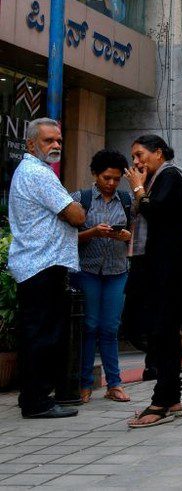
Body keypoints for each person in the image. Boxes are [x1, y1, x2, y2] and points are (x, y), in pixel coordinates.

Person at [7, 118, 86, 419]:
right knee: (43, 336)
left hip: (39, 264)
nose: (55, 146)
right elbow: (76, 215)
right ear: (30, 144)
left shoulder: (33, 172)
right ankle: (37, 401)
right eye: (48, 141)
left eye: (59, 141)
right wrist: (76, 210)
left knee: (38, 334)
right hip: (42, 265)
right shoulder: (38, 174)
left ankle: (33, 395)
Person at [123, 135, 182, 428]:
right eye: (133, 157)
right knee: (158, 333)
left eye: (140, 155)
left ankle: (162, 401)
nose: (137, 163)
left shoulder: (170, 176)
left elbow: (156, 212)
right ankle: (171, 396)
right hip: (158, 268)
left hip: (168, 269)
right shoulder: (161, 178)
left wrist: (138, 189)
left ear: (158, 152)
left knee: (161, 333)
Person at [72, 149, 133, 404]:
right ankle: (84, 383)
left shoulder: (127, 201)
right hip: (87, 270)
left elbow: (137, 234)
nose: (111, 183)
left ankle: (114, 383)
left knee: (110, 328)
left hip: (117, 271)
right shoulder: (80, 199)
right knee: (89, 326)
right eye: (106, 177)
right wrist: (93, 233)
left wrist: (127, 236)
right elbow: (66, 238)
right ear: (95, 174)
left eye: (116, 178)